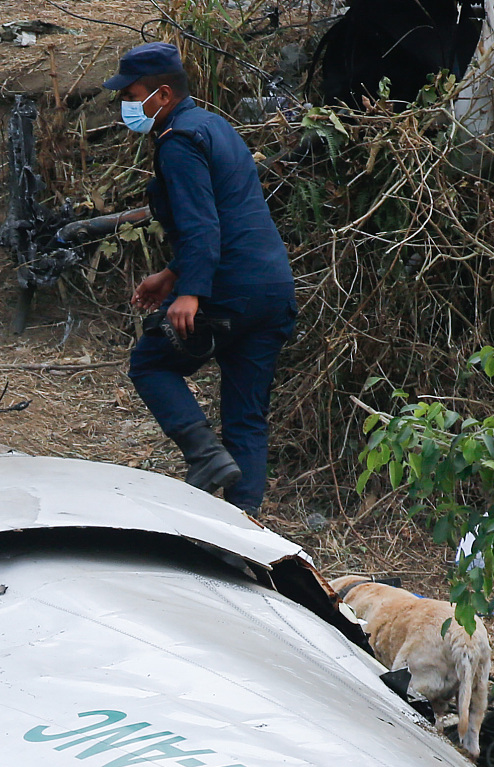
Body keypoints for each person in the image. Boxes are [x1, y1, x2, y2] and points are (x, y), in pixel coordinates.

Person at [109, 42, 295, 512]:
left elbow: (201, 224)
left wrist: (190, 291)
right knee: (246, 417)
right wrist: (173, 274)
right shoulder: (213, 125)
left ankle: (204, 456)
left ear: (163, 93)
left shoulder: (178, 142)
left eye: (132, 95)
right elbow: (229, 216)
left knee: (150, 364)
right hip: (272, 287)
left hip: (229, 289)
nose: (126, 105)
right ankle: (244, 532)